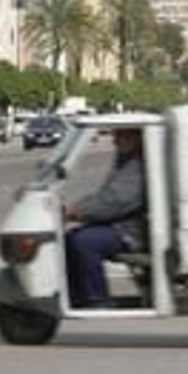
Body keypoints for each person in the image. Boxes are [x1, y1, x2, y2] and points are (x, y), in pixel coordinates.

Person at [63, 127, 146, 308]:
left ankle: (97, 298)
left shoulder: (138, 165)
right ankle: (76, 295)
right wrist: (75, 208)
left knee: (84, 241)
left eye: (119, 136)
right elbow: (105, 196)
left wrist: (75, 212)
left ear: (135, 138)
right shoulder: (126, 161)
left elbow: (116, 201)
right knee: (69, 238)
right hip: (120, 225)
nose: (114, 141)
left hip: (130, 231)